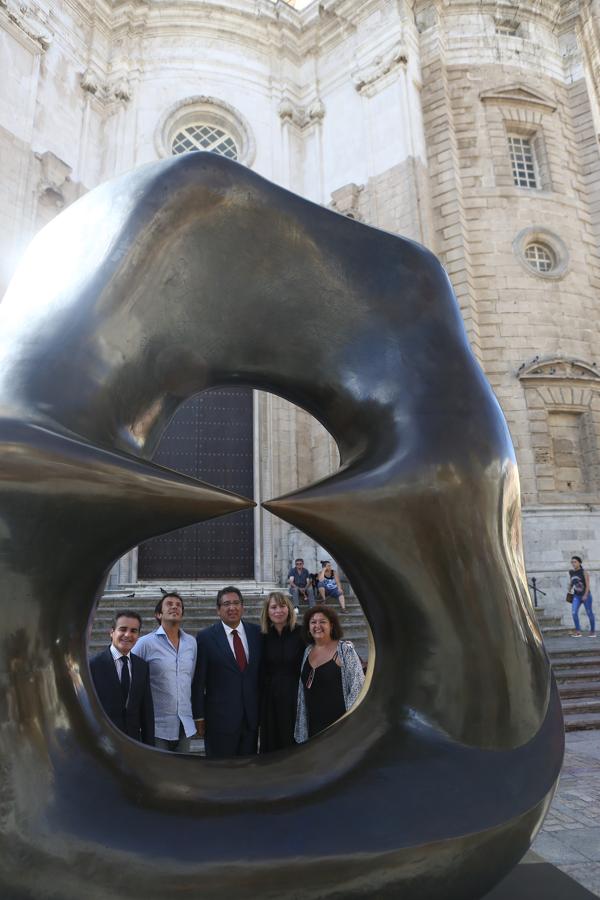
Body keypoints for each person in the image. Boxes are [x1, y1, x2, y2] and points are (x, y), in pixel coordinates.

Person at [193, 586, 262, 758]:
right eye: (226, 604)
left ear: (243, 607)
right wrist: (199, 716)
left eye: (236, 603)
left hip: (251, 719)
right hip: (219, 721)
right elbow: (199, 680)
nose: (232, 608)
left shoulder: (257, 633)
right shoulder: (206, 637)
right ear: (218, 610)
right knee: (220, 772)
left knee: (247, 769)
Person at [132, 592, 199, 752]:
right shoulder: (145, 643)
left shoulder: (191, 643)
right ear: (158, 614)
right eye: (169, 604)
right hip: (157, 726)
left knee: (182, 774)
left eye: (178, 605)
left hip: (185, 726)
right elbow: (132, 678)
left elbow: (191, 677)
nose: (175, 606)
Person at [295, 606, 364, 743]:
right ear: (308, 627)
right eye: (313, 622)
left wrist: (346, 725)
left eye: (322, 622)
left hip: (338, 727)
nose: (317, 626)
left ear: (331, 625)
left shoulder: (345, 650)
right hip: (313, 725)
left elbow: (358, 687)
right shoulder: (308, 651)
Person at [90, 610, 155, 746]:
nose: (128, 635)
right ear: (111, 632)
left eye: (133, 631)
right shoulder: (93, 665)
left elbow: (146, 710)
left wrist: (149, 746)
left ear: (138, 635)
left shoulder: (142, 666)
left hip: (134, 743)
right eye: (123, 629)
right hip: (103, 744)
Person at [259, 592, 306, 753]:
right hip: (270, 698)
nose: (278, 610)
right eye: (273, 607)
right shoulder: (261, 636)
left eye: (282, 606)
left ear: (289, 609)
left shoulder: (302, 633)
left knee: (292, 743)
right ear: (267, 611)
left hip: (294, 696)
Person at [569, 555, 596, 637]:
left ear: (579, 563)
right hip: (576, 596)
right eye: (572, 562)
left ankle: (592, 632)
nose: (573, 564)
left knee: (589, 612)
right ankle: (578, 631)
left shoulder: (584, 572)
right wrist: (569, 589)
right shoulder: (571, 572)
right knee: (574, 612)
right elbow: (572, 581)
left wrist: (585, 595)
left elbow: (587, 585)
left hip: (586, 595)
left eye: (575, 562)